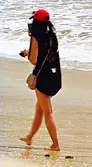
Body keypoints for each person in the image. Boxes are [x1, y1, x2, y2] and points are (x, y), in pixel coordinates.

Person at [19, 9, 61, 151]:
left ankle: (55, 145)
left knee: (47, 112)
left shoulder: (35, 37)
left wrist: (26, 53)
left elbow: (33, 60)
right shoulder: (52, 36)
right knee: (40, 109)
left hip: (43, 77)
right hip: (55, 75)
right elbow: (49, 56)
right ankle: (30, 137)